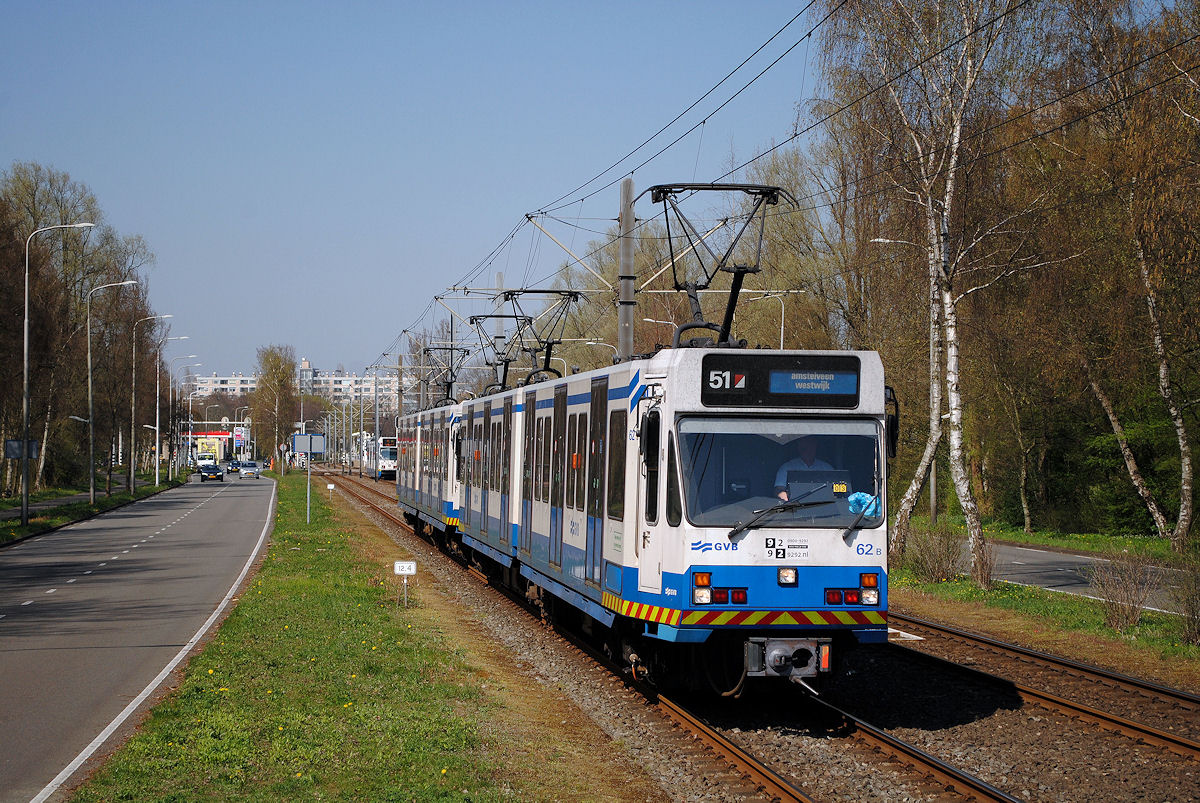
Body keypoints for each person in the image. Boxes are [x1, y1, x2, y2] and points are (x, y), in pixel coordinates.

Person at [774, 436, 834, 500]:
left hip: (823, 505)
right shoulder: (786, 467)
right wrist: (785, 498)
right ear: (799, 447)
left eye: (810, 444)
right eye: (804, 446)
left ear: (815, 445)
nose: (808, 449)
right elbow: (779, 490)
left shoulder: (827, 468)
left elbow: (835, 491)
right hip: (795, 505)